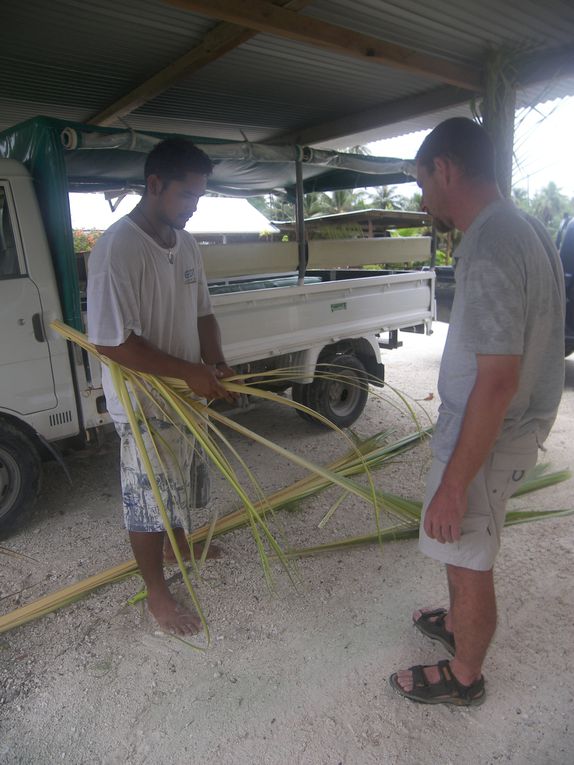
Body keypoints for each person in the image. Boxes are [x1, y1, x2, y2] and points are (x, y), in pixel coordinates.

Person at [389, 118, 565, 706]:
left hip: (488, 433)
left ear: (445, 168)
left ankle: (464, 676)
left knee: (466, 554)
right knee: (456, 544)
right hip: (507, 425)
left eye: (422, 180)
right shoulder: (525, 227)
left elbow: (496, 382)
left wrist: (454, 483)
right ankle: (458, 622)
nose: (423, 196)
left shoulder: (490, 246)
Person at [87, 137, 236, 636]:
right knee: (146, 500)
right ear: (155, 185)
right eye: (188, 197)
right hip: (143, 404)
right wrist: (187, 372)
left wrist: (214, 362)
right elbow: (112, 343)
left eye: (199, 198)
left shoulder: (187, 242)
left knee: (177, 486)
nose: (195, 208)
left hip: (185, 397)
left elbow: (203, 313)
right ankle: (157, 593)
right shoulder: (117, 249)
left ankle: (181, 545)